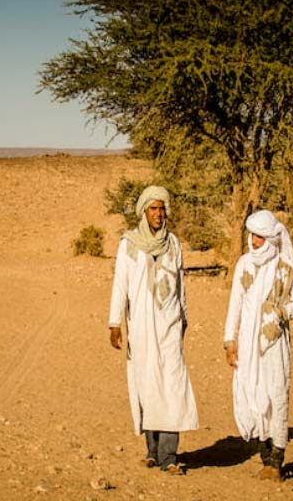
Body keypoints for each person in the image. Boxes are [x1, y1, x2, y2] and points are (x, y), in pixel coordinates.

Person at [109, 185, 199, 475]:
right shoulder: (129, 244)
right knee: (148, 384)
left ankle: (169, 456)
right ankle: (152, 451)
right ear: (143, 211)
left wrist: (183, 318)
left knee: (172, 386)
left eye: (162, 209)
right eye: (153, 209)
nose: (158, 214)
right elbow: (120, 283)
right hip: (141, 327)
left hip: (170, 324)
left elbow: (181, 284)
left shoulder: (173, 243)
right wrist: (115, 322)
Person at [223, 209, 293, 481]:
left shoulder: (285, 268)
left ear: (270, 239)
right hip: (248, 342)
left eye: (259, 237)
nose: (254, 241)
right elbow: (235, 303)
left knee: (276, 396)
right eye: (252, 236)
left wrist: (282, 313)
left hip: (275, 344)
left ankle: (277, 460)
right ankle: (264, 458)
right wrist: (229, 339)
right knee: (253, 393)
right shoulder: (244, 264)